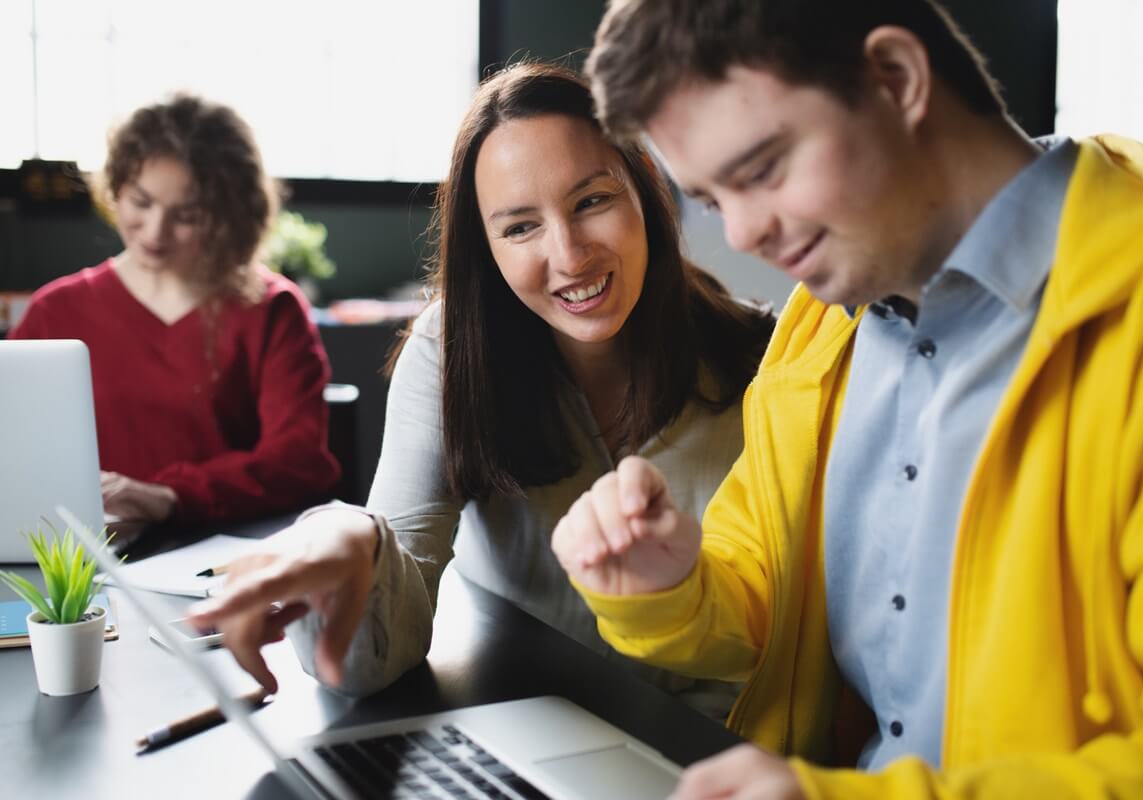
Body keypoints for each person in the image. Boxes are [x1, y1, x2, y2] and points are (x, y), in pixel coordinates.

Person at [550, 0, 1143, 797]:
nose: (746, 234)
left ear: (896, 78)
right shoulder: (821, 324)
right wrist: (665, 584)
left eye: (762, 169)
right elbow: (768, 596)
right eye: (715, 201)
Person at [187, 64, 776, 719]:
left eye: (591, 201)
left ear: (645, 191)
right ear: (486, 248)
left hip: (729, 755)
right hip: (536, 733)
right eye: (520, 227)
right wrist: (349, 537)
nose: (570, 255)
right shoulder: (451, 351)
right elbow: (373, 656)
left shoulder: (764, 355)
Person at [10, 94, 340, 532]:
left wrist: (168, 497)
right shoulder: (55, 311)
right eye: (140, 202)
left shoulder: (270, 308)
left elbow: (297, 462)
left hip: (228, 556)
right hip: (82, 556)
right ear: (116, 190)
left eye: (187, 215)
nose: (155, 231)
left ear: (227, 217)